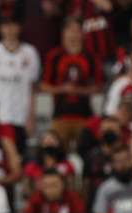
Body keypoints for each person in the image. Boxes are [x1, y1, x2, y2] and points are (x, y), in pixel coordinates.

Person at [0, 15, 40, 152]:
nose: (10, 30)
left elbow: (32, 88)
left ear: (19, 28)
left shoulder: (30, 53)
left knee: (19, 154)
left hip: (20, 115)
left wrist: (31, 115)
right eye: (6, 26)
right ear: (0, 29)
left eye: (13, 25)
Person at [41, 17, 104, 149]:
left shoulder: (91, 57)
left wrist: (79, 91)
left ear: (82, 33)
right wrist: (63, 89)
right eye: (69, 30)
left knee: (86, 152)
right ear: (63, 33)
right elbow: (44, 86)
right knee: (56, 152)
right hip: (60, 116)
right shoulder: (54, 56)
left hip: (85, 116)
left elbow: (99, 86)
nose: (73, 34)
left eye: (76, 30)